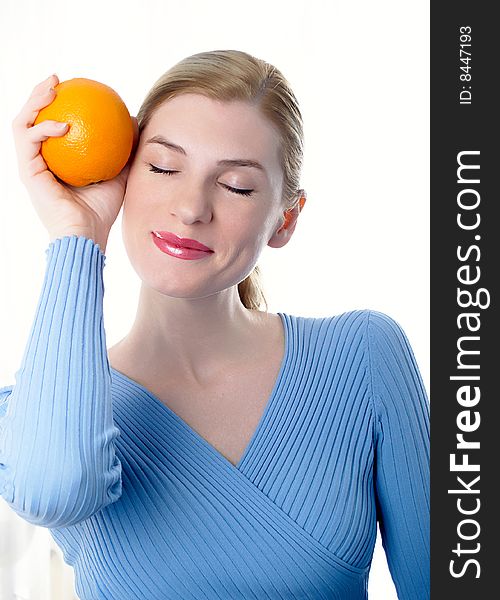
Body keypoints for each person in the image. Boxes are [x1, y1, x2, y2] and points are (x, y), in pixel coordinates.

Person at [0, 49, 429, 599]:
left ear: (285, 219)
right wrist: (76, 236)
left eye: (237, 186)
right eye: (162, 168)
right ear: (124, 175)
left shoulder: (363, 357)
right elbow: (53, 490)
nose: (190, 207)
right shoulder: (49, 408)